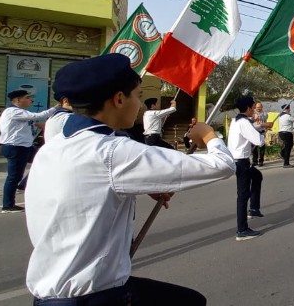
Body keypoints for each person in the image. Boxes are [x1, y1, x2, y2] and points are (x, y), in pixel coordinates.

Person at [25, 53, 235, 305]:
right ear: (119, 99)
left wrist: (138, 185)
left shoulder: (55, 145)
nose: (141, 106)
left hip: (50, 293)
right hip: (95, 296)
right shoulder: (113, 152)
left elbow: (84, 192)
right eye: (137, 96)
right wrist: (209, 134)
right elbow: (222, 165)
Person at [0, 90, 57, 213]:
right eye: (28, 97)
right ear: (18, 100)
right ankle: (8, 205)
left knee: (44, 161)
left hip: (26, 146)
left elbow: (33, 122)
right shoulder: (13, 111)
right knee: (13, 176)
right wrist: (56, 108)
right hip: (16, 147)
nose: (31, 100)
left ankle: (23, 184)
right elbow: (37, 116)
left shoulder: (21, 113)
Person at [228, 96, 266, 241]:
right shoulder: (243, 122)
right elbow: (258, 141)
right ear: (249, 108)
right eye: (253, 108)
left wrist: (261, 127)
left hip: (241, 161)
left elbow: (252, 127)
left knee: (257, 176)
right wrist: (262, 134)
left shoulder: (237, 120)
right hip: (241, 162)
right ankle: (242, 230)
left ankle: (254, 208)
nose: (254, 111)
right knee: (242, 195)